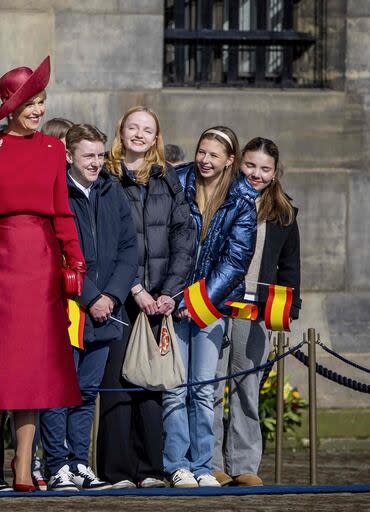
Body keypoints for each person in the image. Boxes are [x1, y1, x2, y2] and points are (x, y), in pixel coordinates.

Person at [0, 56, 85, 492]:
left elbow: (62, 211)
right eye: (31, 102)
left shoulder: (55, 149)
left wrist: (75, 261)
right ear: (10, 105)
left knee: (34, 372)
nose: (38, 109)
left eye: (42, 101)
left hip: (41, 270)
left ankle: (23, 468)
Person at [97, 106, 195, 489]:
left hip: (159, 297)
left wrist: (169, 291)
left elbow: (183, 236)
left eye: (147, 130)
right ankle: (118, 471)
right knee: (118, 382)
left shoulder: (167, 178)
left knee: (152, 383)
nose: (139, 134)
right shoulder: (107, 177)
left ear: (156, 138)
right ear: (121, 132)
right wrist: (133, 287)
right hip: (121, 296)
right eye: (132, 127)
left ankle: (150, 469)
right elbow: (108, 240)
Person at [40, 124, 137, 492]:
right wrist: (91, 296)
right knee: (58, 390)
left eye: (100, 155)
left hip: (106, 309)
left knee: (87, 390)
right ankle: (57, 465)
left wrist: (111, 295)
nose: (96, 163)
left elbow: (129, 248)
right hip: (69, 308)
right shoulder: (57, 191)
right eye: (88, 156)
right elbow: (55, 250)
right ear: (69, 156)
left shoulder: (112, 190)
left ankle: (80, 462)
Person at [164, 126, 257, 488]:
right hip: (171, 299)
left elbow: (236, 261)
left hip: (210, 306)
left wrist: (199, 301)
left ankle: (203, 465)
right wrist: (175, 295)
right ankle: (177, 463)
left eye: (214, 155)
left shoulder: (243, 197)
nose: (204, 160)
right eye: (201, 152)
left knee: (203, 387)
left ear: (230, 160)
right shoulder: (178, 179)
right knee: (174, 386)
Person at [212, 137, 301, 487]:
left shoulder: (284, 214)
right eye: (250, 166)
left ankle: (244, 465)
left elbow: (290, 267)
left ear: (276, 173)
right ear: (238, 164)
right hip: (217, 307)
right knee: (211, 388)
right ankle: (211, 462)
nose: (256, 174)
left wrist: (290, 305)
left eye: (265, 169)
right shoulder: (220, 200)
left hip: (256, 312)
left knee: (247, 389)